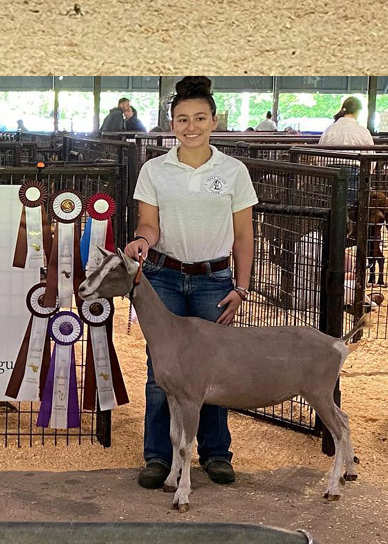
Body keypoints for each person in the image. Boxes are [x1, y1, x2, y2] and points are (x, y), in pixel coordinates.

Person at [125, 76, 257, 491]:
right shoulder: (154, 170)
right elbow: (150, 224)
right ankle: (158, 456)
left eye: (200, 117)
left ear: (215, 121)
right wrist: (142, 241)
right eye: (182, 119)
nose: (191, 126)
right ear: (172, 124)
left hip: (213, 280)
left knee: (214, 369)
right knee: (161, 370)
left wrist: (241, 287)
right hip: (163, 277)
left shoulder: (234, 171)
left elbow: (244, 235)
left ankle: (215, 453)